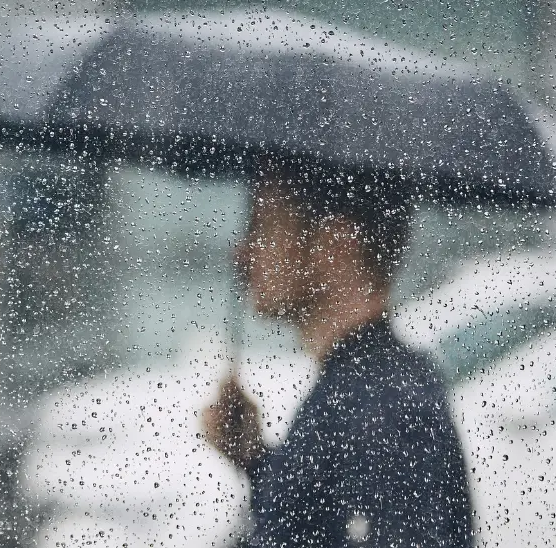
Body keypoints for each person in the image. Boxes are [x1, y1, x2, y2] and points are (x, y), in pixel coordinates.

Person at [203, 159, 474, 547]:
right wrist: (253, 457)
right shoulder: (362, 385)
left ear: (335, 245)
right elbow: (320, 526)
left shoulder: (382, 403)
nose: (241, 255)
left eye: (264, 227)